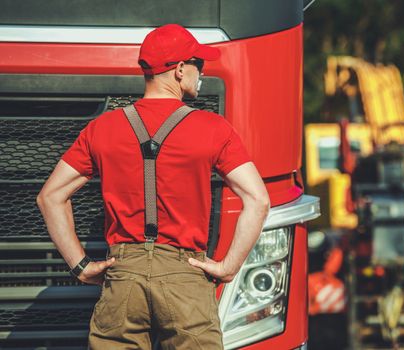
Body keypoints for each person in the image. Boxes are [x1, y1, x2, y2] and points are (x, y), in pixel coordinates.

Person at [36, 24, 270, 349]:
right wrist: (228, 266)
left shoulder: (101, 129)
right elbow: (258, 200)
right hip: (185, 275)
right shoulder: (214, 128)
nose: (201, 72)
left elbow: (50, 196)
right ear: (178, 70)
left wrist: (80, 265)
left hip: (123, 275)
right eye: (197, 64)